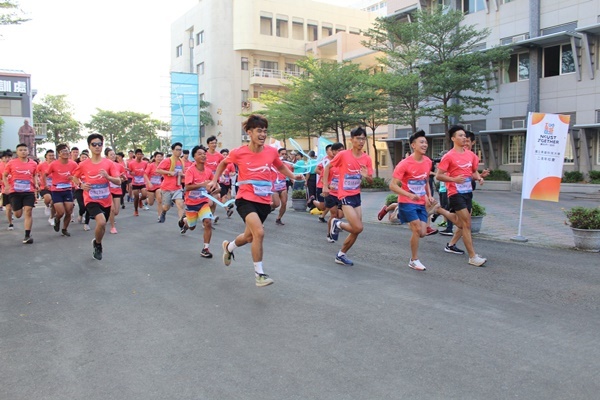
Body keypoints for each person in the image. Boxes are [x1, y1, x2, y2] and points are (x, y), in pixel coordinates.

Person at [208, 114, 303, 287]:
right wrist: (215, 180)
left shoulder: (271, 151)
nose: (262, 134)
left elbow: (279, 165)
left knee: (249, 237)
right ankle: (259, 274)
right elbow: (222, 164)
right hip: (245, 198)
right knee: (259, 232)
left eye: (265, 131)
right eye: (259, 131)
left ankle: (229, 247)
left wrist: (293, 175)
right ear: (249, 132)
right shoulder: (238, 152)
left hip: (263, 200)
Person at [433, 125, 487, 267]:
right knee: (466, 224)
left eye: (465, 136)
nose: (464, 138)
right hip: (455, 192)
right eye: (460, 136)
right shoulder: (448, 156)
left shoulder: (471, 156)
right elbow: (439, 176)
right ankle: (472, 256)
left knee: (461, 223)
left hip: (467, 192)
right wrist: (453, 180)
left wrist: (479, 178)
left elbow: (473, 172)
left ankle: (439, 210)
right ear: (453, 138)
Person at [323, 127, 373, 266]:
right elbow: (328, 167)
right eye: (358, 138)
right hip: (344, 195)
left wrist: (366, 176)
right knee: (358, 227)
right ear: (352, 140)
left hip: (356, 195)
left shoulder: (366, 158)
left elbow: (370, 180)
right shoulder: (343, 155)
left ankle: (341, 254)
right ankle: (337, 223)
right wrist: (325, 185)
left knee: (356, 230)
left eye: (363, 138)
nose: (361, 141)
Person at [389, 130, 436, 271]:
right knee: (416, 229)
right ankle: (414, 260)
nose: (425, 145)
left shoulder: (428, 162)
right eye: (421, 142)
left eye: (426, 142)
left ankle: (395, 209)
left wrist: (428, 195)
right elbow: (392, 185)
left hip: (421, 202)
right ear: (413, 145)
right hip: (407, 201)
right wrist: (409, 195)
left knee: (422, 233)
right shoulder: (404, 164)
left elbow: (425, 180)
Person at [73, 134, 122, 260]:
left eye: (99, 144)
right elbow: (74, 177)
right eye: (94, 144)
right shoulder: (84, 164)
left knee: (102, 225)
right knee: (101, 221)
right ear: (89, 146)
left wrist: (108, 177)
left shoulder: (109, 164)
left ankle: (97, 242)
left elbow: (118, 181)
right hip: (91, 199)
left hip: (105, 200)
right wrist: (81, 185)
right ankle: (98, 245)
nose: (97, 146)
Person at [180, 145, 218, 257]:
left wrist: (217, 188)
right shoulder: (190, 170)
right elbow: (187, 187)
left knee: (208, 222)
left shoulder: (208, 171)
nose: (203, 155)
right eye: (199, 154)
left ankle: (205, 249)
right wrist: (202, 185)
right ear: (194, 157)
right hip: (191, 204)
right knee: (192, 227)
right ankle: (186, 222)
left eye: (204, 154)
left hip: (203, 202)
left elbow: (214, 184)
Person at [2, 143, 38, 243]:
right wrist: (7, 186)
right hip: (15, 192)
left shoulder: (33, 164)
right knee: (18, 214)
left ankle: (27, 235)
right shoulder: (11, 163)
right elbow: (4, 175)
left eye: (25, 150)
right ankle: (17, 208)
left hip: (28, 191)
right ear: (17, 152)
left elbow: (35, 174)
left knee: (28, 211)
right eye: (21, 150)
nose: (23, 152)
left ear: (28, 151)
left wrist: (36, 183)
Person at [43, 143, 78, 237]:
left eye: (67, 151)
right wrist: (45, 184)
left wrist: (74, 179)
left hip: (68, 190)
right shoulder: (54, 164)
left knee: (69, 210)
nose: (65, 153)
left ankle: (64, 229)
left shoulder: (73, 164)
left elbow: (77, 174)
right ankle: (57, 219)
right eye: (63, 151)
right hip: (56, 190)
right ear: (59, 154)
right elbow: (45, 174)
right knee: (61, 212)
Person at [156, 142, 185, 224]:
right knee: (166, 207)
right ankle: (163, 212)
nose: (179, 151)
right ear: (173, 150)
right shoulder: (167, 161)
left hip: (178, 187)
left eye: (180, 150)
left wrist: (183, 175)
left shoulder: (181, 162)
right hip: (167, 188)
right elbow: (158, 170)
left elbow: (182, 173)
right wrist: (169, 172)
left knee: (180, 205)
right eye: (177, 150)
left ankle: (181, 223)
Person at [322, 142, 345, 242]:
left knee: (340, 215)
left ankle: (335, 225)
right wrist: (327, 185)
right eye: (339, 150)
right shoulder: (330, 165)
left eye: (342, 150)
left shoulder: (344, 163)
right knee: (334, 215)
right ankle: (329, 234)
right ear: (334, 152)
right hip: (331, 194)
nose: (341, 152)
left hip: (342, 194)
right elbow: (323, 178)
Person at [105, 148, 127, 234]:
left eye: (114, 154)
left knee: (116, 211)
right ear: (107, 156)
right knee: (112, 209)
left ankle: (108, 217)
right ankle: (112, 227)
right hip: (108, 190)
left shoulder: (120, 166)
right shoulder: (105, 166)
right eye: (111, 154)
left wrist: (123, 178)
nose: (113, 156)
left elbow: (123, 178)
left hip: (117, 190)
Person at [205, 135, 224, 223]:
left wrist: (222, 174)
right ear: (208, 144)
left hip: (215, 181)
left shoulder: (219, 156)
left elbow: (223, 166)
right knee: (209, 202)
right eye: (212, 143)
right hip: (205, 181)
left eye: (215, 143)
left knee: (214, 201)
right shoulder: (204, 154)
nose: (214, 144)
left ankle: (210, 217)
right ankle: (206, 218)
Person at [271, 147, 291, 225]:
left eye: (285, 154)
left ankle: (278, 218)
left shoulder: (287, 165)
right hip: (274, 187)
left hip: (283, 186)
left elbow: (290, 174)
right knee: (276, 204)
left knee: (284, 203)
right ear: (278, 154)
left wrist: (295, 180)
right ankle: (267, 207)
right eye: (282, 154)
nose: (284, 155)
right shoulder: (272, 164)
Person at [36, 149, 56, 225]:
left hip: (54, 186)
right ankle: (47, 205)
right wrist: (37, 182)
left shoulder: (56, 164)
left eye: (52, 155)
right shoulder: (41, 165)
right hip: (44, 186)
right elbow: (36, 173)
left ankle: (51, 217)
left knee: (54, 202)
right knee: (48, 198)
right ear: (46, 157)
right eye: (49, 155)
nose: (51, 157)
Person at [128, 149, 148, 216]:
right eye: (138, 154)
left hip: (142, 182)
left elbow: (147, 171)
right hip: (135, 182)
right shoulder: (131, 163)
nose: (139, 155)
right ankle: (136, 210)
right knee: (136, 196)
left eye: (140, 154)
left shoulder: (145, 163)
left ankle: (140, 200)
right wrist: (132, 173)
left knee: (145, 195)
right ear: (136, 155)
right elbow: (130, 172)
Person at [144, 151, 164, 222]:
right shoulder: (151, 165)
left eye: (161, 157)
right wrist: (149, 183)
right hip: (150, 186)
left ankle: (160, 216)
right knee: (151, 203)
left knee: (159, 200)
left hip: (159, 186)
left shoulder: (163, 165)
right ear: (155, 158)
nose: (159, 158)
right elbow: (145, 174)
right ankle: (147, 201)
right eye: (158, 157)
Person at [0, 150, 14, 230]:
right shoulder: (0, 167)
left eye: (9, 157)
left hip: (15, 190)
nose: (7, 159)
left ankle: (13, 212)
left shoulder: (14, 165)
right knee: (8, 208)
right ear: (2, 159)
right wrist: (4, 183)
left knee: (15, 209)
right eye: (5, 157)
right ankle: (10, 224)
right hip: (5, 190)